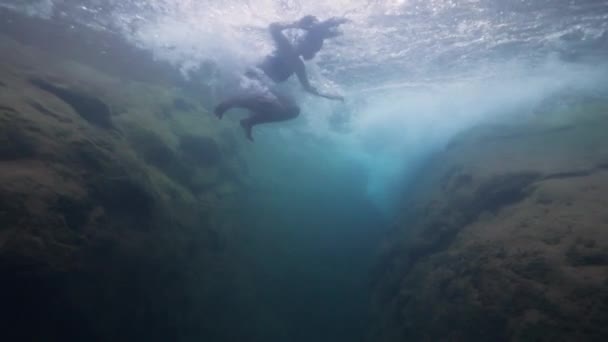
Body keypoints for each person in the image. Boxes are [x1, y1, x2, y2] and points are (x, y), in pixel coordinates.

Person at [214, 15, 348, 141]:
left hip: (261, 88)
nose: (315, 52)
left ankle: (249, 122)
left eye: (316, 49)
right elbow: (273, 27)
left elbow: (307, 88)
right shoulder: (287, 48)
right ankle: (230, 103)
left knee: (293, 110)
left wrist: (329, 96)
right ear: (306, 43)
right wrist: (296, 24)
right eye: (314, 48)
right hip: (248, 82)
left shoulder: (299, 65)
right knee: (280, 107)